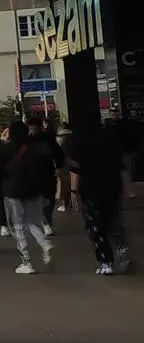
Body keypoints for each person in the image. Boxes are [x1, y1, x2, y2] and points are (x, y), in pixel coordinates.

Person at [66, 118, 133, 275]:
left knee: (95, 225)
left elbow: (75, 170)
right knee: (112, 219)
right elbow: (120, 165)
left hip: (91, 188)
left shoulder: (78, 142)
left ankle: (106, 261)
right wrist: (127, 189)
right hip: (112, 186)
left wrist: (73, 192)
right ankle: (122, 249)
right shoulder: (109, 138)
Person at [1, 121, 56, 274]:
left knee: (18, 225)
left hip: (13, 190)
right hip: (35, 189)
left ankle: (26, 260)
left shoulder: (7, 149)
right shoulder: (38, 147)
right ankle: (45, 244)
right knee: (34, 221)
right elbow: (48, 167)